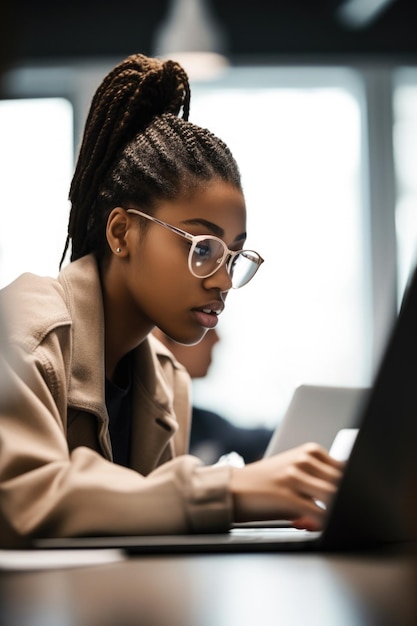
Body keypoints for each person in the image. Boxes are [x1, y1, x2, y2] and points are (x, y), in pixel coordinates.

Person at [0, 53, 343, 548]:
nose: (223, 280)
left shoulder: (168, 379)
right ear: (122, 232)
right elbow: (22, 497)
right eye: (203, 247)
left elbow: (144, 532)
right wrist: (227, 490)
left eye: (233, 255)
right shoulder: (24, 335)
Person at [153, 328, 273, 464]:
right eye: (205, 331)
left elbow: (255, 440)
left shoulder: (204, 423)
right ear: (161, 336)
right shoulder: (134, 417)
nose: (217, 339)